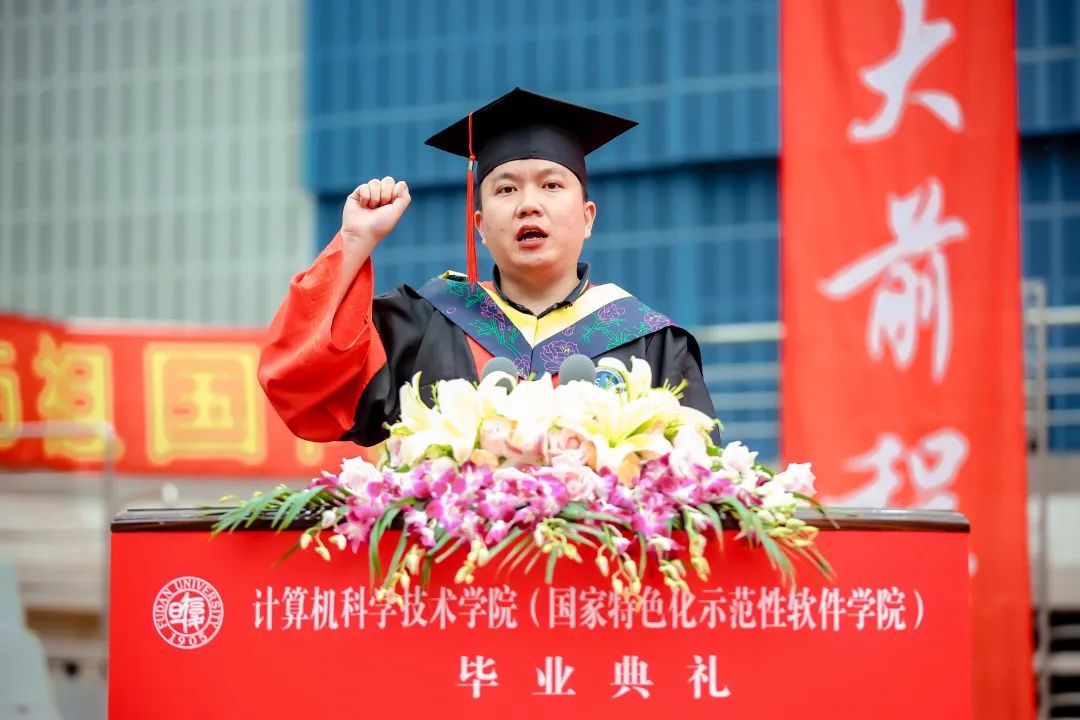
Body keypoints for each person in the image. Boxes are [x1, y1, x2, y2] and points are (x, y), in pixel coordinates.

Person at [259, 88, 717, 446]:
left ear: (587, 217)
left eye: (551, 185)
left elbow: (698, 481)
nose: (528, 205)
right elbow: (303, 382)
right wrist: (355, 241)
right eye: (505, 189)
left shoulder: (651, 342)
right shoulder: (425, 323)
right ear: (479, 225)